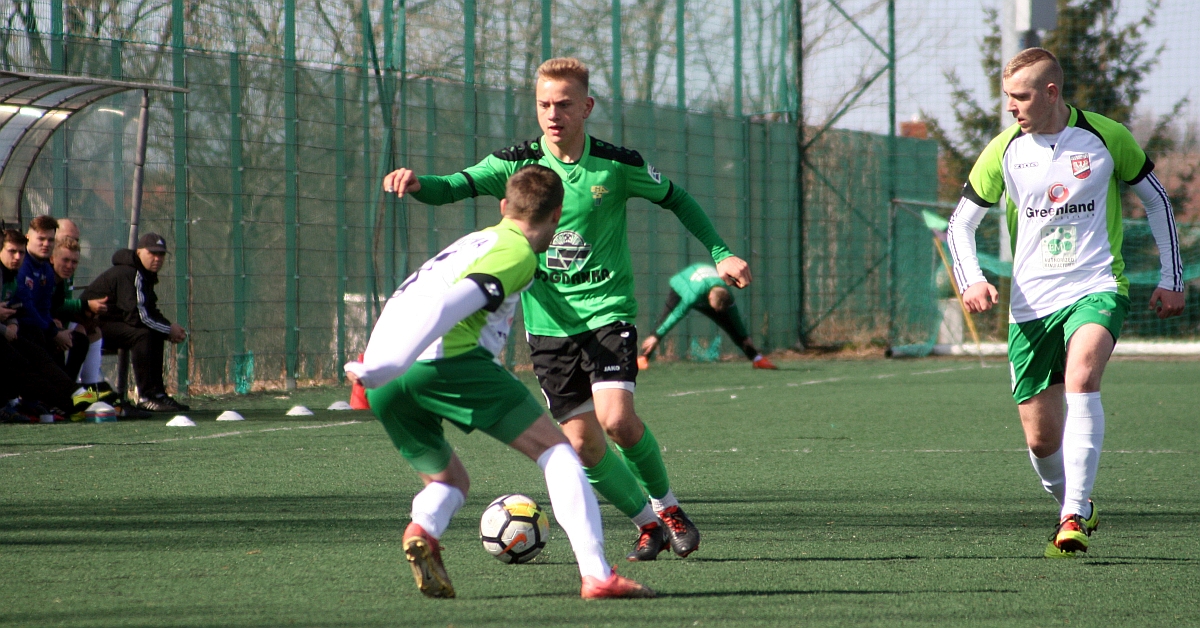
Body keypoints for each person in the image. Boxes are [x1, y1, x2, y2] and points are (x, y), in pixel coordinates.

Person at [383, 57, 752, 561]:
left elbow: (678, 199)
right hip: (548, 326)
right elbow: (452, 186)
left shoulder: (616, 165)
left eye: (563, 104)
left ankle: (668, 508)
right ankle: (647, 525)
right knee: (581, 445)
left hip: (606, 311)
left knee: (616, 420)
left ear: (586, 107)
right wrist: (416, 182)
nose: (553, 115)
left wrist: (720, 252)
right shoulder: (517, 164)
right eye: (544, 105)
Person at [345, 165, 653, 599]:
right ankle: (598, 574)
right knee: (559, 453)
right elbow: (452, 303)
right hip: (439, 362)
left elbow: (413, 299)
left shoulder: (473, 242)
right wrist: (392, 362)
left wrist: (378, 366)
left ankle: (423, 529)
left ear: (504, 205)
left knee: (449, 481)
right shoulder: (515, 251)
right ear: (557, 215)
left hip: (384, 376)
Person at [947, 48, 1185, 558]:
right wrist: (972, 280)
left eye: (1020, 96)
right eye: (1007, 96)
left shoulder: (1106, 136)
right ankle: (1073, 503)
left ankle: (1073, 513)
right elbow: (960, 223)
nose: (1010, 106)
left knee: (1082, 378)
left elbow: (1157, 200)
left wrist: (1172, 277)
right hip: (1031, 302)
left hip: (1097, 285)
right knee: (1040, 439)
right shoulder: (1004, 149)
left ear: (1051, 92)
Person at [81, 233, 190, 412]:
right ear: (139, 252)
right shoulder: (130, 273)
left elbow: (149, 310)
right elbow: (137, 316)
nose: (157, 258)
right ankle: (145, 396)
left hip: (109, 324)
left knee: (152, 332)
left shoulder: (144, 274)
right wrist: (168, 329)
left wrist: (167, 328)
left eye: (161, 254)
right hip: (90, 327)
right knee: (142, 334)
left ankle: (157, 394)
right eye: (152, 253)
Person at [639, 262, 777, 370]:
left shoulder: (726, 295)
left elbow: (735, 318)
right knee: (665, 319)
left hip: (707, 289)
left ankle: (757, 359)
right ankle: (642, 357)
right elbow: (677, 314)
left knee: (732, 327)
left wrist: (744, 336)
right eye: (715, 309)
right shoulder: (693, 294)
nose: (716, 312)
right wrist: (656, 336)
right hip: (681, 285)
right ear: (709, 299)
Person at [50, 237, 110, 394]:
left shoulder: (66, 277)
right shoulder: (45, 276)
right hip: (39, 326)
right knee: (72, 339)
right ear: (52, 258)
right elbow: (44, 307)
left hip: (55, 324)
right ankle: (66, 392)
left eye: (74, 262)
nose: (70, 266)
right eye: (65, 260)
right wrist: (85, 305)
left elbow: (60, 306)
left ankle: (84, 388)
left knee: (87, 333)